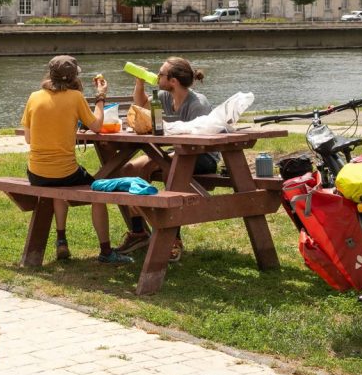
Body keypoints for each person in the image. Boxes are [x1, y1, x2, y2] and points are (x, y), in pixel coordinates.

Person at [20, 55, 133, 265]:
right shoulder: (75, 97)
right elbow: (98, 125)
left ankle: (61, 240)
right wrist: (100, 97)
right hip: (64, 172)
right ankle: (106, 251)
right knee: (98, 193)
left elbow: (28, 138)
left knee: (57, 187)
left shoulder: (34, 97)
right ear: (73, 77)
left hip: (36, 174)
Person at [115, 56, 217, 262]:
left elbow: (206, 140)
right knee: (128, 169)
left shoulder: (197, 104)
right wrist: (139, 81)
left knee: (166, 168)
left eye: (161, 73)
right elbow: (141, 104)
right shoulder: (164, 97)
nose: (157, 75)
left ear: (173, 81)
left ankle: (172, 237)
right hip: (175, 154)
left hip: (202, 155)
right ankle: (139, 233)